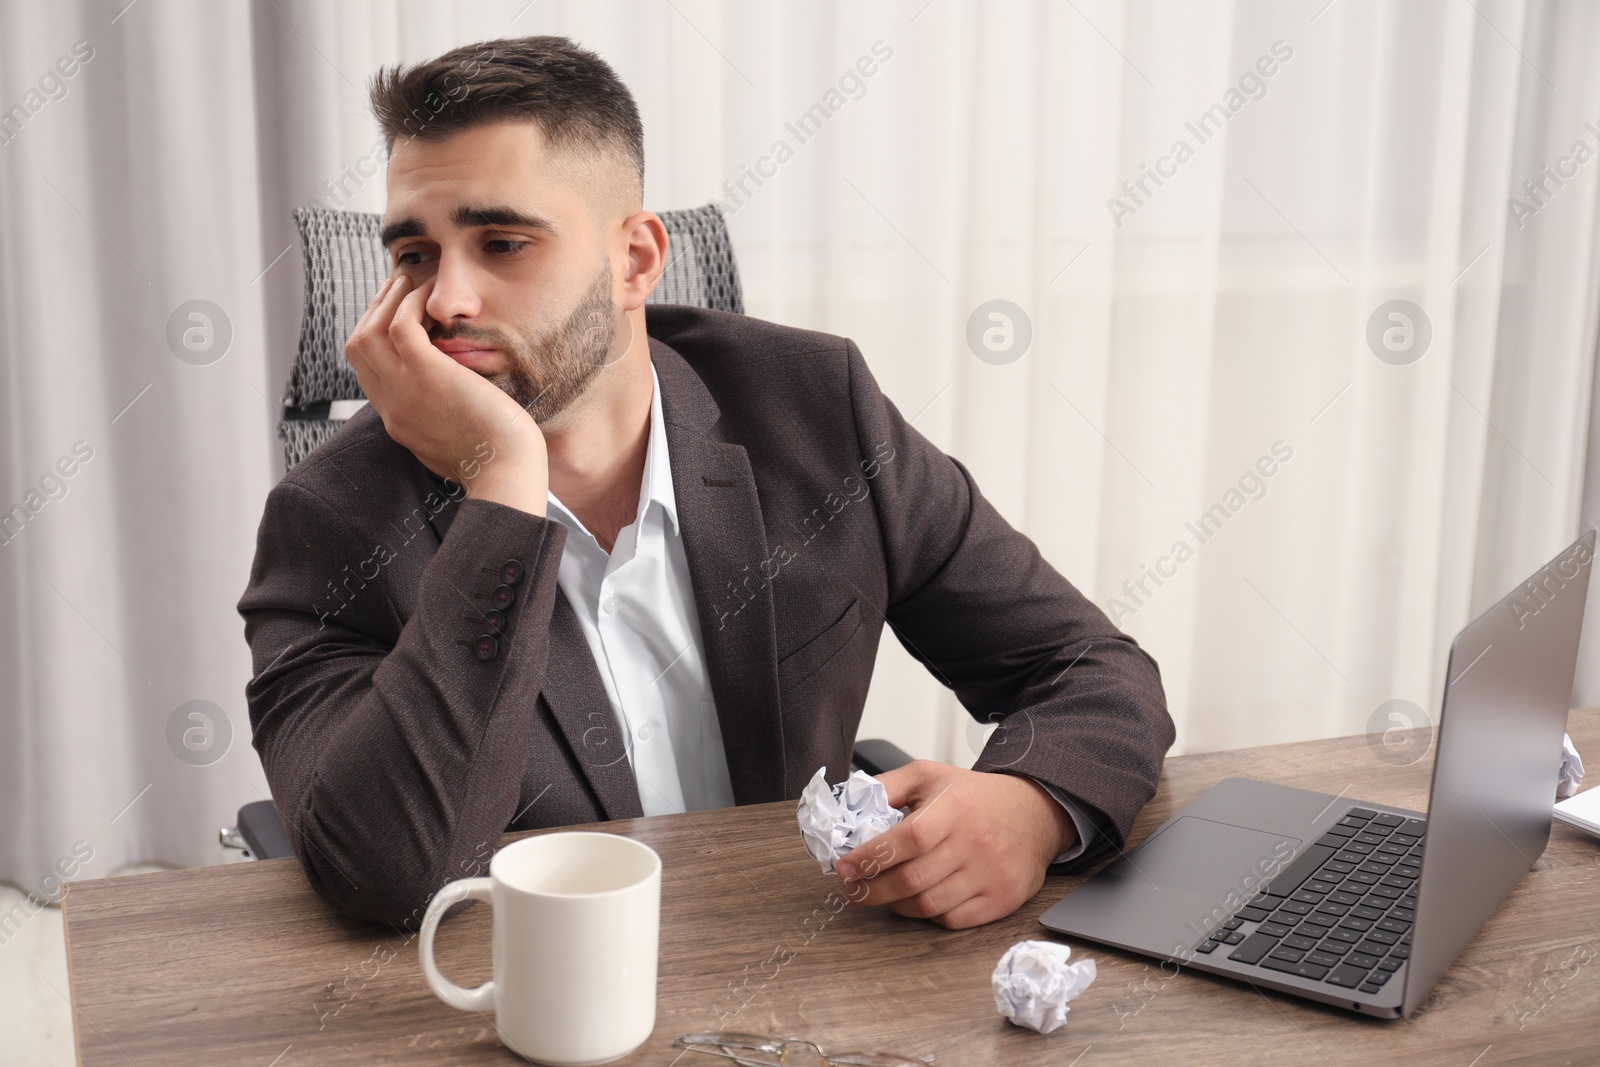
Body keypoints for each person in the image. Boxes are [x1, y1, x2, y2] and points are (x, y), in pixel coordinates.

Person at [238, 35, 1173, 930]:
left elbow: (1091, 670)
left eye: (504, 243)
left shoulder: (815, 408)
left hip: (804, 969)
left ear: (636, 259)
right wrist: (501, 487)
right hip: (529, 999)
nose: (445, 301)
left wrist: (1032, 804)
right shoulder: (333, 516)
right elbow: (390, 875)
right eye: (413, 256)